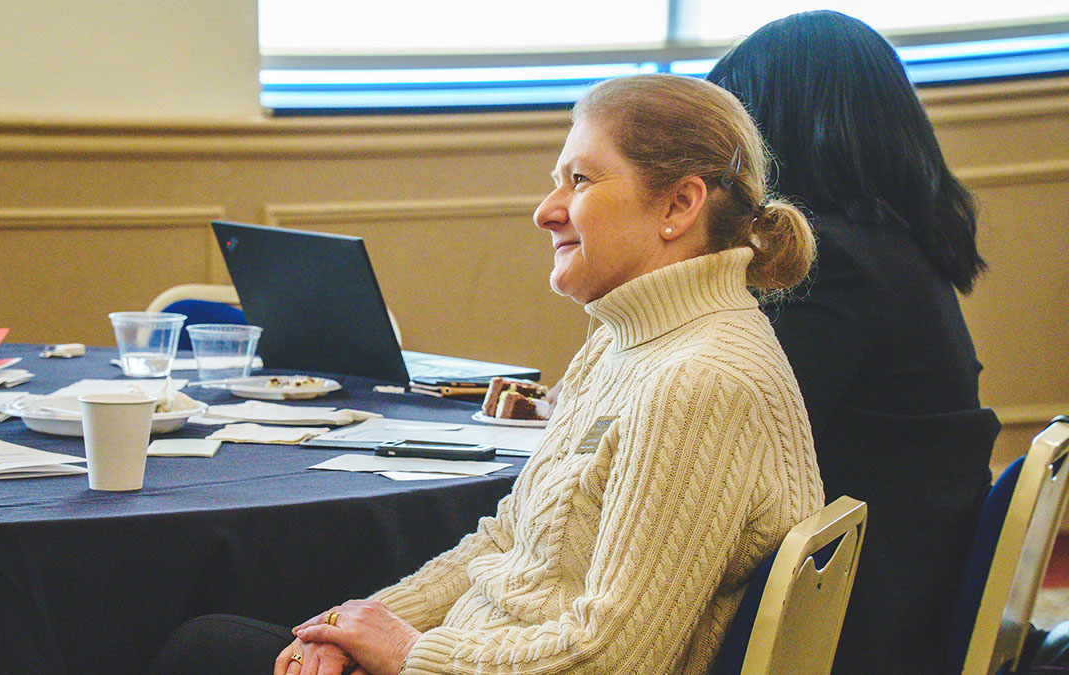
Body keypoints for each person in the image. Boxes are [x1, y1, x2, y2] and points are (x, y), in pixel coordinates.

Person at [152, 73, 824, 675]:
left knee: (203, 647)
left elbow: (613, 658)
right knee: (218, 642)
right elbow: (509, 539)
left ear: (679, 205)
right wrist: (350, 627)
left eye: (581, 180)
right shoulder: (623, 343)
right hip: (476, 655)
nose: (546, 209)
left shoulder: (699, 379)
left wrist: (410, 651)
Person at [706, 11, 999, 675]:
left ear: (782, 131)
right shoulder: (898, 252)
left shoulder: (832, 261)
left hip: (838, 625)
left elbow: (734, 447)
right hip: (903, 596)